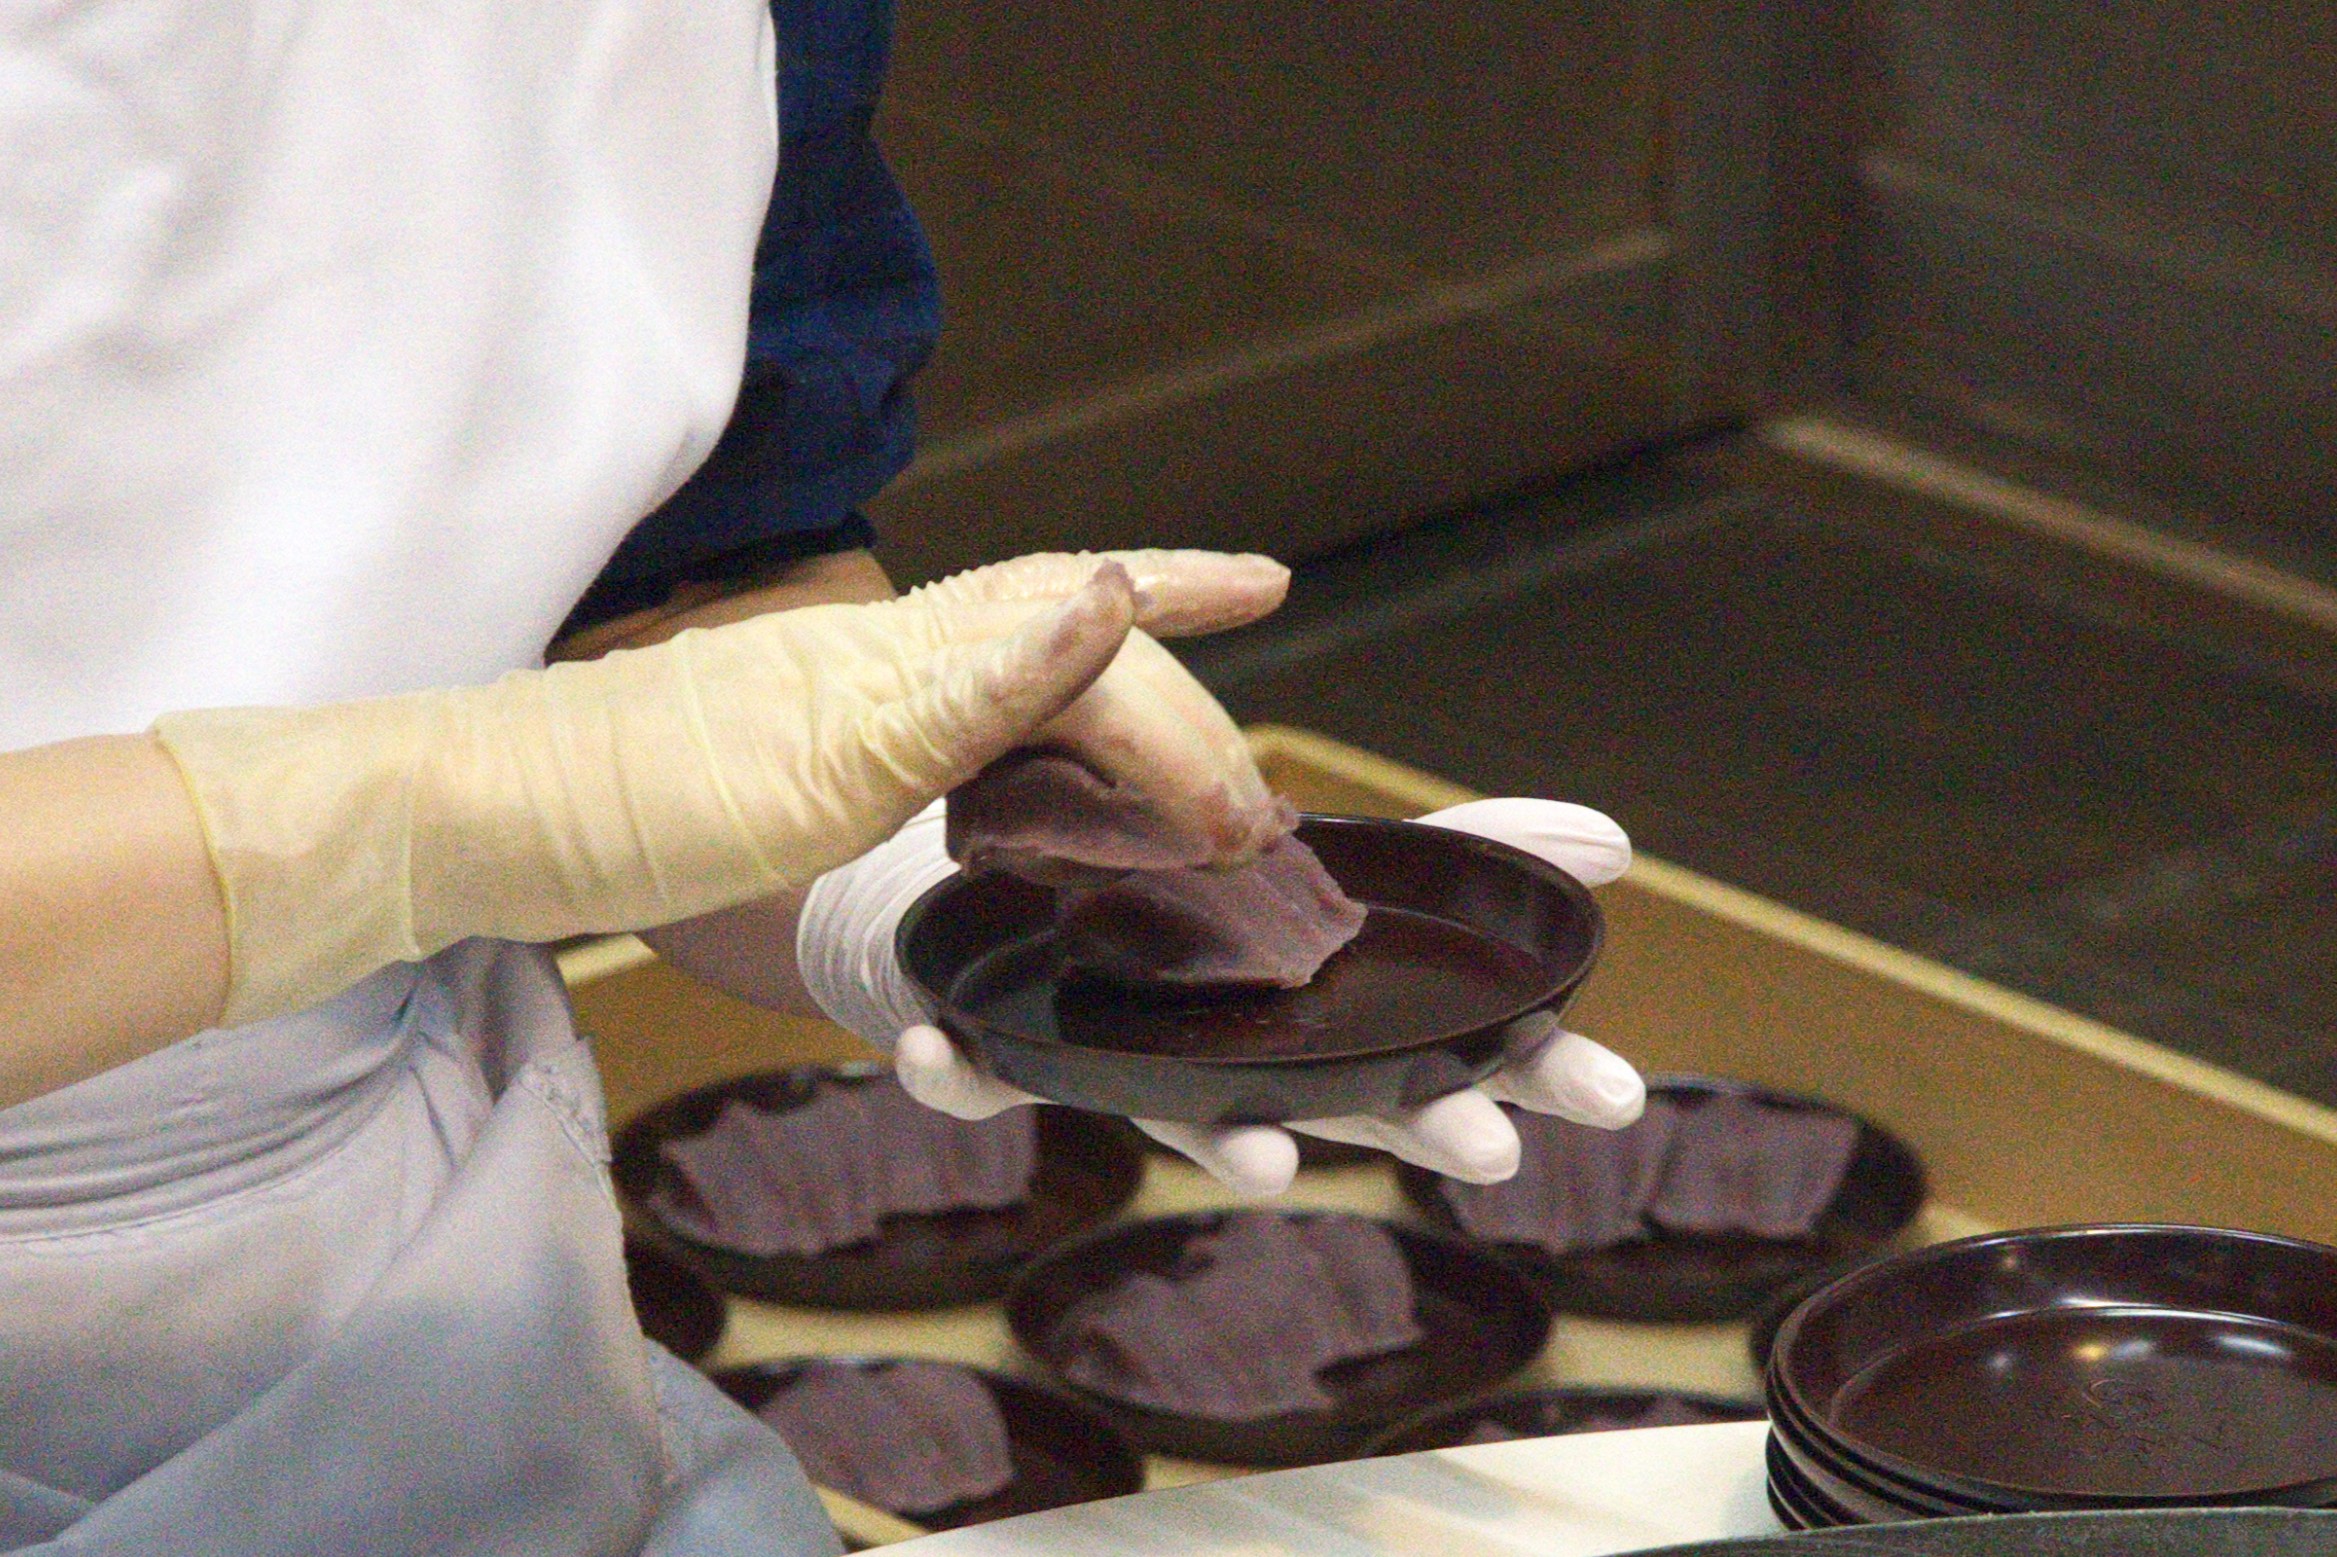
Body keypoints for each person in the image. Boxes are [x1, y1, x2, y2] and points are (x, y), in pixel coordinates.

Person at [0, 2, 1645, 1553]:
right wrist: (467, 804)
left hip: (421, 1303)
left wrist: (914, 875)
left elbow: (688, 575)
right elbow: (538, 782)